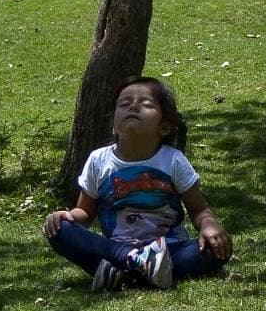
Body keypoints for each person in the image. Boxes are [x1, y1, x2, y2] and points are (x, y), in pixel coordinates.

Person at [43, 75, 232, 291]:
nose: (133, 107)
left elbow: (199, 209)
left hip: (168, 251)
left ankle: (120, 275)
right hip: (115, 248)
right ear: (113, 122)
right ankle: (137, 264)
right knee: (61, 231)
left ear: (165, 126)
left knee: (217, 249)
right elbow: (84, 213)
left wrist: (209, 224)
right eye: (124, 103)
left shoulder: (173, 160)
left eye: (145, 104)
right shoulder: (98, 160)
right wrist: (67, 217)